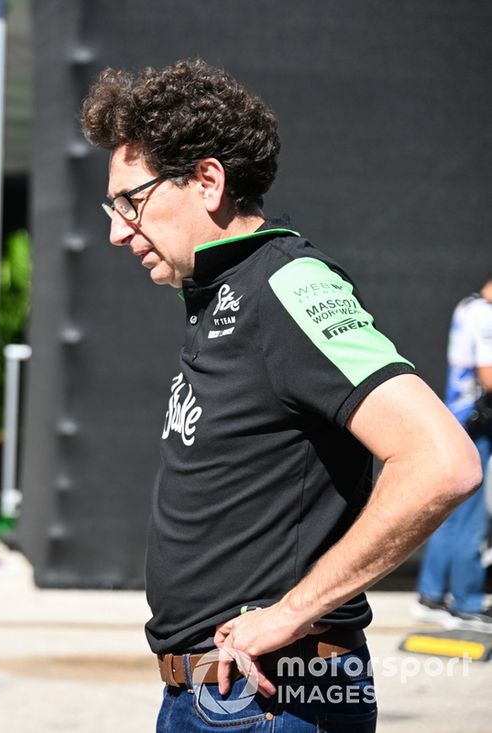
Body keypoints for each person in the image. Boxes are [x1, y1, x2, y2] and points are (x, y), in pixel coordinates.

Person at [80, 60, 481, 730]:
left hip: (271, 697)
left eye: (131, 200)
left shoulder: (287, 284)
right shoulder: (219, 295)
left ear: (208, 181)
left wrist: (292, 612)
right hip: (218, 697)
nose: (117, 229)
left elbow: (442, 461)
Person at [413, 276, 492, 631]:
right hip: (475, 426)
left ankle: (431, 595)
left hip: (459, 421)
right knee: (471, 520)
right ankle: (467, 603)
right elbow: (489, 377)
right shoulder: (485, 314)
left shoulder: (469, 305)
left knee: (453, 514)